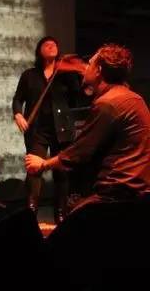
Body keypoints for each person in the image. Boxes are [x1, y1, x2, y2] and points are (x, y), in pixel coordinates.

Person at [25, 44, 150, 212]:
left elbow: (78, 154)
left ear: (99, 70)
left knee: (73, 217)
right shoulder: (134, 98)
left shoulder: (107, 104)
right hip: (140, 192)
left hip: (117, 194)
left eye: (89, 64)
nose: (85, 67)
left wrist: (42, 164)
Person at [13, 36, 86, 222]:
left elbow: (77, 96)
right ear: (39, 51)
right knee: (34, 169)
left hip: (61, 128)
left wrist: (75, 71)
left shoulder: (65, 75)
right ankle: (31, 213)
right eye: (47, 44)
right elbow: (18, 99)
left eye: (54, 44)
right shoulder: (29, 75)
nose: (52, 45)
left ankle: (61, 213)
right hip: (37, 129)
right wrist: (18, 114)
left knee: (61, 170)